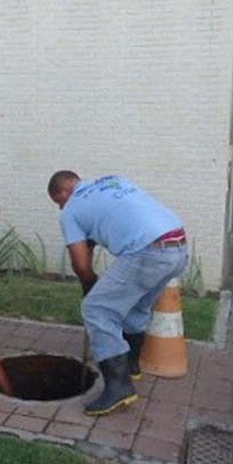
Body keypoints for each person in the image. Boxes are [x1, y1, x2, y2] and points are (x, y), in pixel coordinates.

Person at [47, 171, 188, 416]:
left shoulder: (70, 211)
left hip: (147, 251)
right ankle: (131, 365)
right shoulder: (113, 181)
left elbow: (81, 266)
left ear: (62, 192)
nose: (61, 208)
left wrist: (89, 284)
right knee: (136, 306)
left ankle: (119, 387)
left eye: (58, 203)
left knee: (96, 308)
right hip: (178, 246)